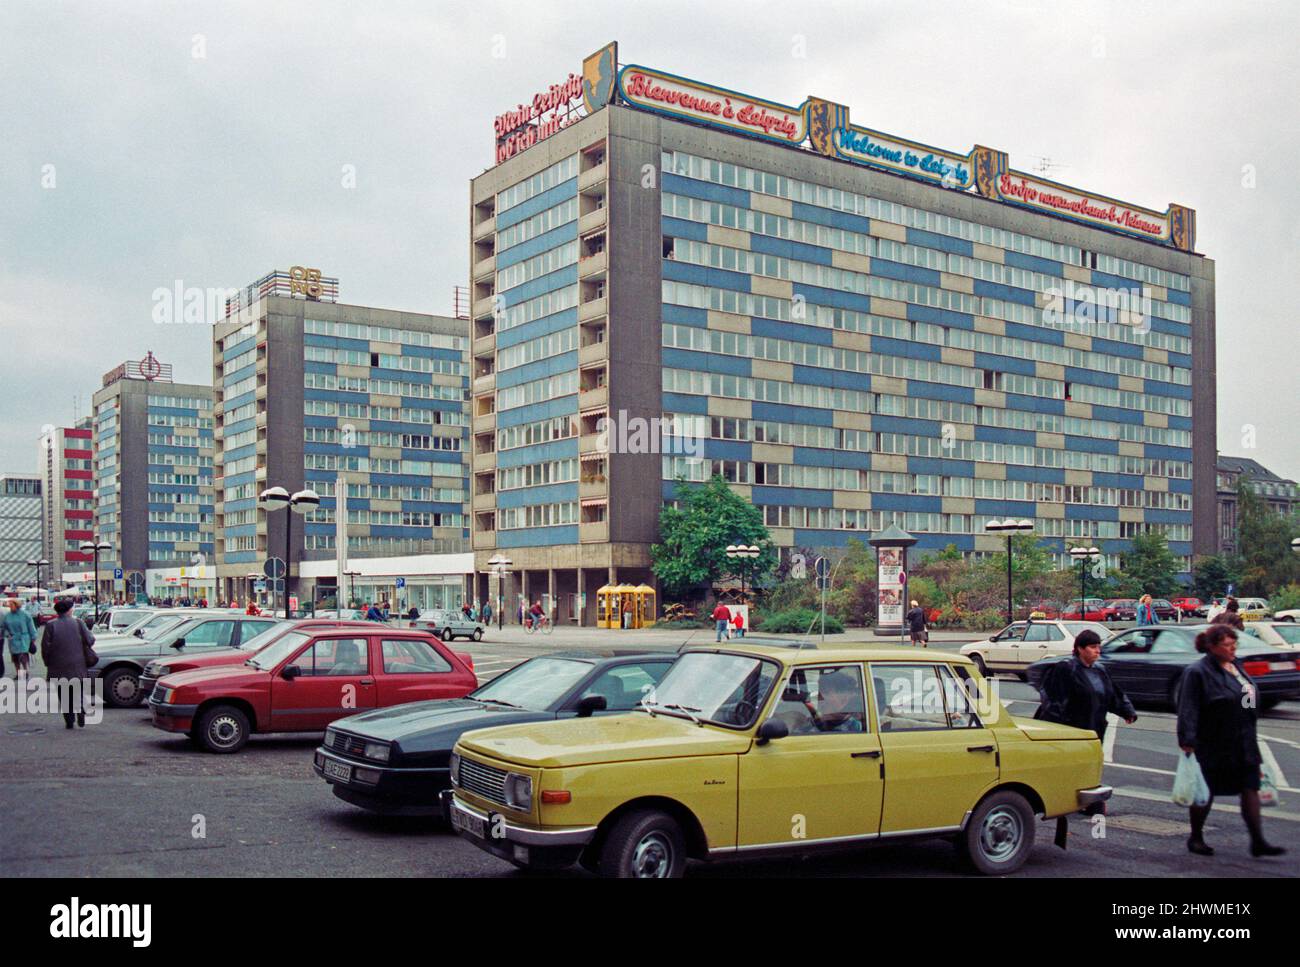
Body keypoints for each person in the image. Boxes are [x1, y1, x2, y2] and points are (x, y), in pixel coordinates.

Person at [1178, 623, 1284, 858]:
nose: (1232, 648)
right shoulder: (1197, 672)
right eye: (1227, 645)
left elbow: (1246, 696)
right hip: (1214, 741)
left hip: (1243, 740)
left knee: (1250, 788)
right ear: (1212, 647)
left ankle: (1258, 840)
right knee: (1207, 790)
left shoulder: (1236, 666)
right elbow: (1188, 707)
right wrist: (1187, 738)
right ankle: (1196, 837)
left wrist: (1248, 714)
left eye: (1234, 643)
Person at [1035, 629, 1137, 743]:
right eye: (1093, 647)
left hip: (1095, 729)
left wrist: (1127, 711)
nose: (1098, 651)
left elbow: (1113, 693)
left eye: (1099, 647)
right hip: (1073, 731)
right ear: (1080, 648)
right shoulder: (1066, 669)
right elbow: (1053, 701)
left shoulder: (1100, 670)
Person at [40, 599, 96, 729]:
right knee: (79, 690)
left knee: (63, 693)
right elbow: (90, 640)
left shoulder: (50, 625)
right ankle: (81, 709)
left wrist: (47, 662)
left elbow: (45, 647)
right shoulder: (78, 623)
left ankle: (69, 720)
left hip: (58, 665)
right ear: (69, 610)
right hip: (78, 664)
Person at [4, 599, 39, 679]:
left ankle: (25, 672)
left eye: (11, 604)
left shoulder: (25, 614)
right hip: (13, 639)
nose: (10, 606)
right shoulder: (7, 615)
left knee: (23, 657)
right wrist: (7, 634)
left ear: (17, 605)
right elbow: (4, 627)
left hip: (23, 639)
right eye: (9, 605)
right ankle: (18, 673)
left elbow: (31, 627)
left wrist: (33, 637)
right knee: (15, 658)